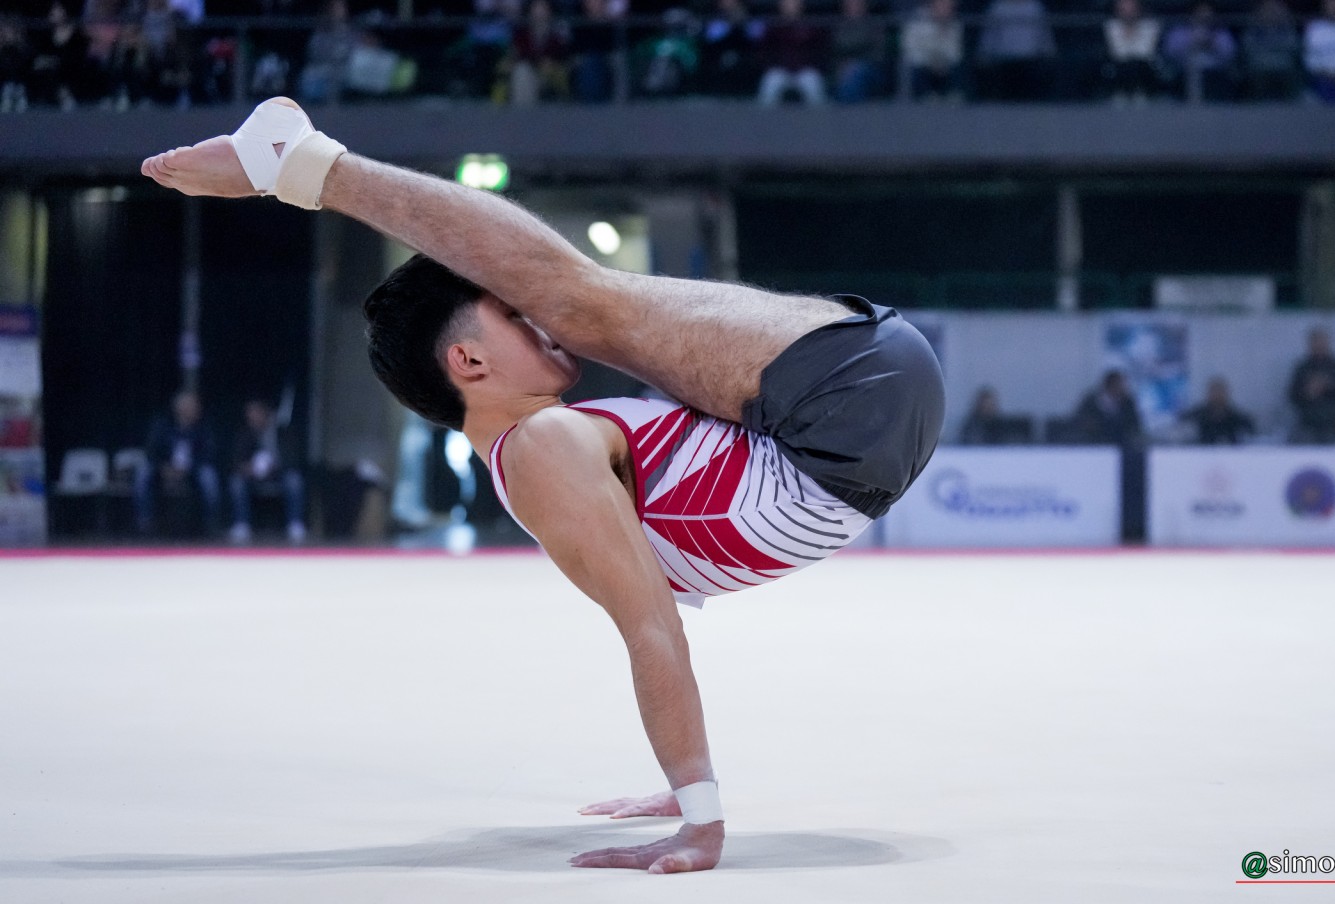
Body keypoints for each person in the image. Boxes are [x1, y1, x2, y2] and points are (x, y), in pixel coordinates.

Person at [141, 96, 944, 874]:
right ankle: (304, 165)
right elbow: (651, 627)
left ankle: (301, 165)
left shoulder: (531, 457)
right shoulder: (545, 444)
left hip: (846, 431)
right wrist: (701, 818)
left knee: (586, 302)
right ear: (468, 362)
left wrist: (683, 784)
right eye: (514, 315)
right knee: (582, 299)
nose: (542, 322)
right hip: (851, 405)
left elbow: (658, 613)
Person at [135, 389, 222, 536]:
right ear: (179, 408)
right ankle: (145, 521)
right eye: (190, 406)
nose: (194, 409)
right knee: (143, 473)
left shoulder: (203, 427)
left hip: (193, 468)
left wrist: (188, 468)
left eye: (195, 406)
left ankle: (210, 524)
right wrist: (163, 467)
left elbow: (208, 453)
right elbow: (152, 451)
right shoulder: (162, 425)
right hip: (164, 467)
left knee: (209, 477)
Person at [228, 398, 308, 544]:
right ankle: (242, 524)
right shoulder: (245, 433)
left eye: (256, 414)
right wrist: (248, 468)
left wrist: (275, 466)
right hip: (252, 475)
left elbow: (293, 458)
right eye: (250, 416)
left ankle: (295, 523)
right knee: (236, 482)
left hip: (279, 473)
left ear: (265, 414)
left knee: (294, 480)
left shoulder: (282, 431)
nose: (253, 419)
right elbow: (237, 460)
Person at [976, 0, 1056, 101]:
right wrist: (984, 53)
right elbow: (989, 35)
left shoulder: (1035, 6)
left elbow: (1043, 33)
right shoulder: (998, 7)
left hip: (1030, 61)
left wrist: (1049, 52)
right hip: (1004, 61)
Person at [1286, 326, 1335, 444]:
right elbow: (1292, 395)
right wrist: (1308, 392)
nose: (1319, 346)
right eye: (1316, 342)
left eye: (1322, 342)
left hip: (1333, 426)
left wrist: (1329, 387)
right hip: (1308, 425)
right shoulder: (1303, 368)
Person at [1161, 0, 1237, 101]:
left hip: (1214, 75)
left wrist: (1212, 44)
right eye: (1200, 12)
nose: (1203, 16)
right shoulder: (1179, 31)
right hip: (1184, 73)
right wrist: (1191, 42)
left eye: (1207, 12)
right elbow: (1169, 51)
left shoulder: (1221, 33)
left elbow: (1230, 54)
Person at [756, 0, 829, 105]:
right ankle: (763, 116)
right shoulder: (773, 25)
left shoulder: (811, 25)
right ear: (780, 5)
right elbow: (764, 51)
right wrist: (773, 65)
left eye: (794, 2)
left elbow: (820, 50)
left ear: (801, 4)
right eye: (787, 3)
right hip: (780, 70)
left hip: (805, 70)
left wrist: (811, 65)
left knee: (813, 83)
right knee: (770, 82)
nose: (790, 6)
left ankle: (820, 116)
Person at [901, 0, 964, 100]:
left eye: (949, 5)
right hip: (921, 63)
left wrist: (942, 60)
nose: (946, 8)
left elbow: (956, 52)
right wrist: (930, 60)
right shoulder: (917, 18)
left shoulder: (955, 24)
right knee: (915, 70)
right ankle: (926, 97)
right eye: (942, 4)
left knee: (957, 68)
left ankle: (953, 96)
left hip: (944, 65)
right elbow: (909, 47)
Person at [1102, 0, 1162, 101]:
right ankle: (1119, 94)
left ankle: (1141, 93)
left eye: (1131, 8)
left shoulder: (1150, 26)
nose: (1128, 13)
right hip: (1118, 67)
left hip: (1144, 67)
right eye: (1123, 9)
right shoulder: (1110, 26)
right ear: (1117, 10)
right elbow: (1117, 53)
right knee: (1120, 67)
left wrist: (1133, 34)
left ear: (1139, 9)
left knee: (1137, 65)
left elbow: (1145, 52)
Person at [1241, 0, 1299, 100]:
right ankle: (1258, 101)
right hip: (1259, 62)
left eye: (1274, 9)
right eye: (1267, 9)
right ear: (1260, 11)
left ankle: (1289, 101)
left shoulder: (1286, 28)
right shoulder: (1254, 28)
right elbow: (1247, 45)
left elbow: (1292, 44)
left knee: (1290, 71)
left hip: (1282, 61)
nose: (1271, 12)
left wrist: (1270, 46)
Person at [832, 0, 887, 102]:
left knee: (855, 73)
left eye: (857, 3)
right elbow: (834, 50)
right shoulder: (837, 26)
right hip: (842, 67)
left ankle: (852, 109)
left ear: (865, 5)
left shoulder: (875, 25)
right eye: (849, 4)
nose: (853, 6)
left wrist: (853, 63)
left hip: (871, 68)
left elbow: (877, 53)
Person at [1068, 371, 1142, 445]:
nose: (1122, 388)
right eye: (1118, 385)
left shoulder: (1128, 403)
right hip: (1094, 443)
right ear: (1109, 385)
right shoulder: (1091, 402)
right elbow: (1082, 422)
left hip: (1121, 443)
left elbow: (1134, 424)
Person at [1181, 376, 1255, 445]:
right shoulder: (1194, 417)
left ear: (1226, 393)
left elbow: (1250, 438)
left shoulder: (1240, 420)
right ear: (1208, 394)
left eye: (1220, 392)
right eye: (1214, 392)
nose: (1217, 396)